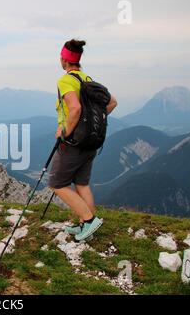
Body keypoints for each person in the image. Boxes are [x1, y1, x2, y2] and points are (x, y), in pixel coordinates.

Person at [49, 39, 118, 241]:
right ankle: (86, 226)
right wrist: (93, 124)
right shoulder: (87, 79)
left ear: (64, 59)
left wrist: (65, 131)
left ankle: (88, 220)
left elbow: (75, 109)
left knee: (57, 184)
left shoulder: (65, 80)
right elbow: (112, 102)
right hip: (91, 142)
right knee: (81, 184)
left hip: (74, 143)